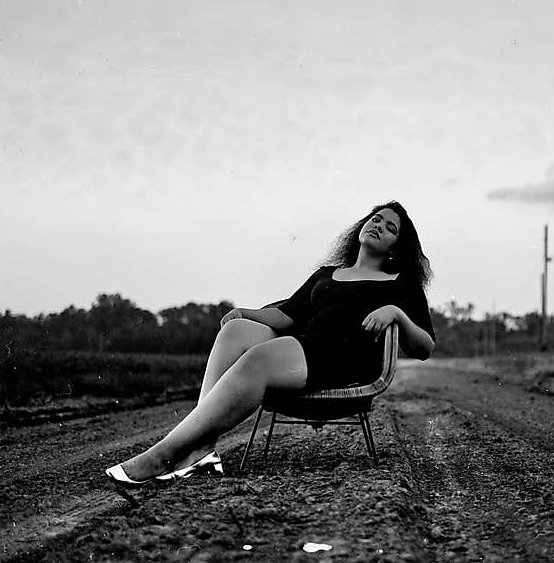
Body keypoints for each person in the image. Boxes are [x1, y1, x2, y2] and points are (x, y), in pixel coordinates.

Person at [105, 201, 435, 491]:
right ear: (362, 226)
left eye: (390, 228)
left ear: (395, 247)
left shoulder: (399, 283)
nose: (379, 226)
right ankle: (200, 449)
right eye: (376, 219)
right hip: (304, 348)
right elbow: (288, 314)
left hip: (343, 362)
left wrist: (396, 313)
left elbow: (424, 346)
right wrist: (243, 314)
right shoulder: (328, 273)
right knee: (235, 333)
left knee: (259, 358)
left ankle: (164, 454)